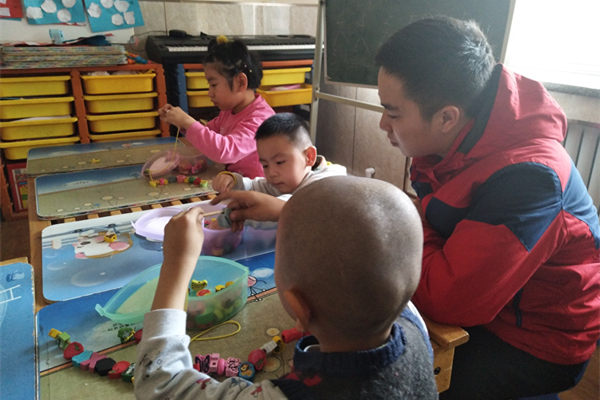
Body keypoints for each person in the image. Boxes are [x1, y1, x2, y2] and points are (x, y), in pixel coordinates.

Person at [374, 16, 600, 399]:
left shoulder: (529, 180)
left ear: (446, 117)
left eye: (393, 113)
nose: (383, 124)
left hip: (538, 340)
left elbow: (449, 300)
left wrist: (403, 220)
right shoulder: (454, 140)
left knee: (394, 376)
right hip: (487, 301)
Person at [134, 176, 439, 400]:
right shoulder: (413, 326)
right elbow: (368, 248)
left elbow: (160, 383)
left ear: (299, 310)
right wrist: (285, 210)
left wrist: (176, 263)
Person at [159, 36, 275, 179]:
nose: (210, 93)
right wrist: (180, 123)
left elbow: (224, 151)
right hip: (233, 180)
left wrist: (186, 122)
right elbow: (207, 136)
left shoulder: (261, 120)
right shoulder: (229, 112)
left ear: (240, 82)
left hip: (257, 188)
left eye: (214, 85)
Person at [211, 113, 347, 229]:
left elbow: (289, 206)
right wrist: (234, 181)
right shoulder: (284, 181)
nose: (272, 173)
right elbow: (254, 186)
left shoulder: (327, 183)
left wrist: (241, 216)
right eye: (265, 165)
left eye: (280, 162)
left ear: (309, 157)